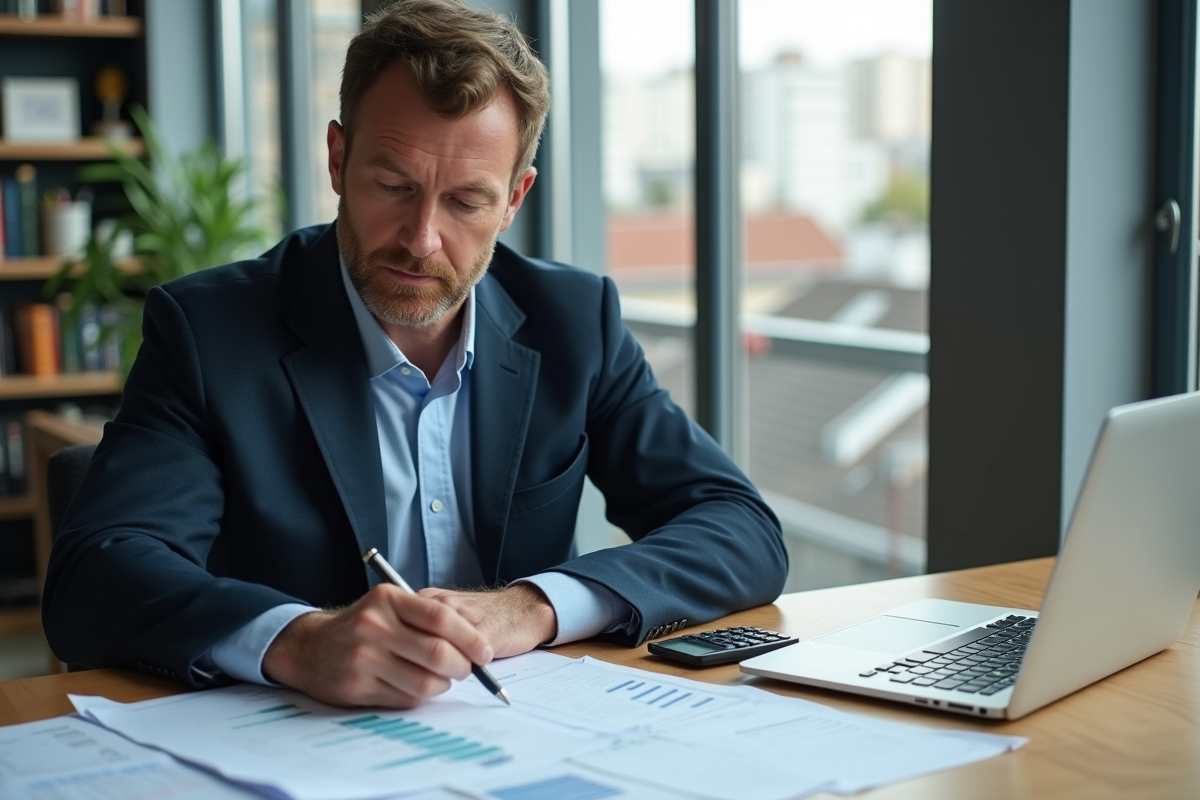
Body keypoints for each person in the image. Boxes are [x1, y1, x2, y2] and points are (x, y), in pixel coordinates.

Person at [42, 0, 787, 709]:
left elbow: (738, 527)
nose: (422, 238)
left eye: (466, 201)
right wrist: (297, 642)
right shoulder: (211, 330)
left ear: (515, 199)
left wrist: (529, 608)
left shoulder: (573, 320)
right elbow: (95, 574)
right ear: (339, 159)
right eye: (394, 186)